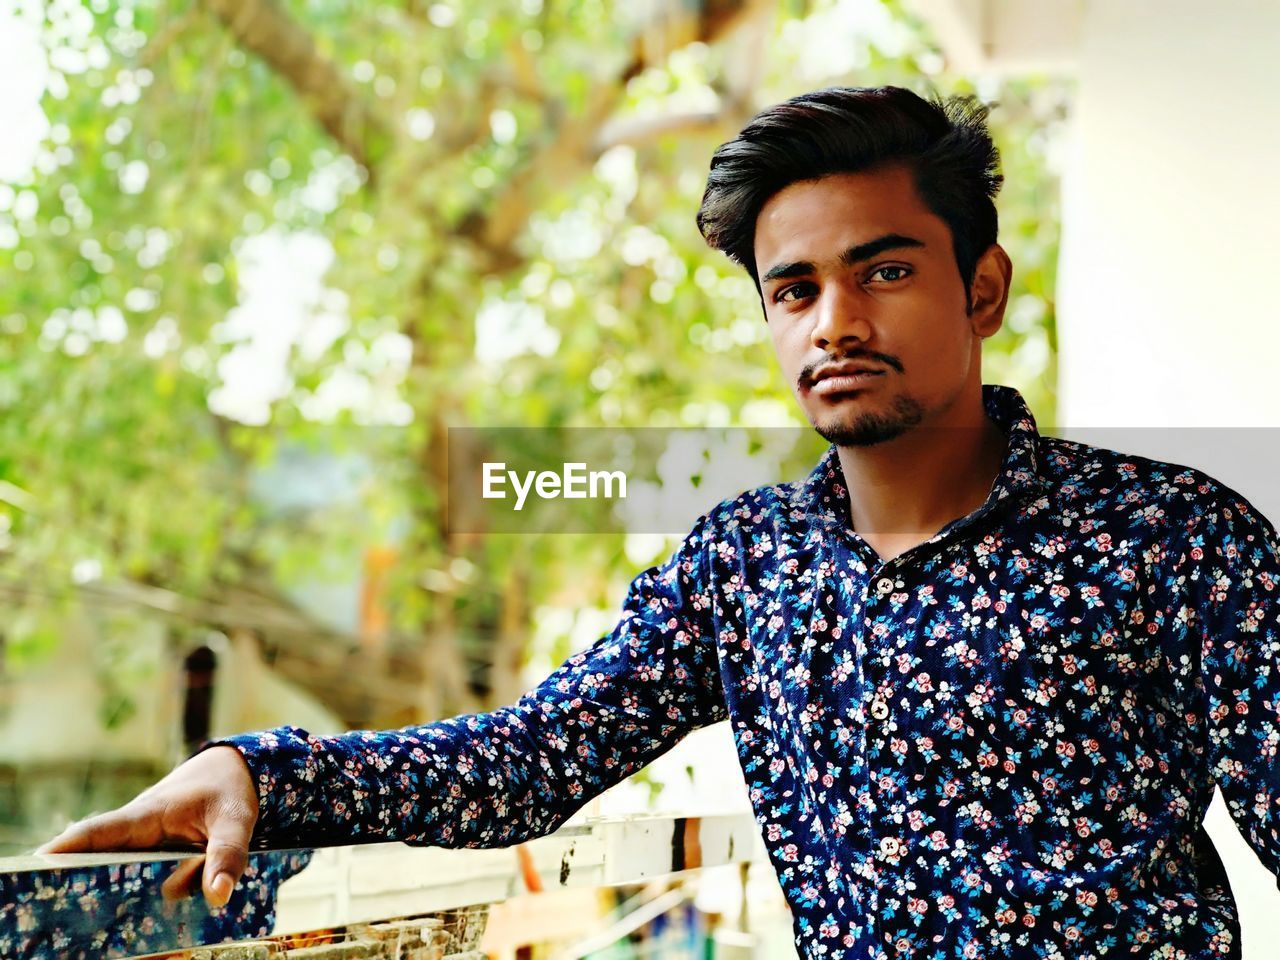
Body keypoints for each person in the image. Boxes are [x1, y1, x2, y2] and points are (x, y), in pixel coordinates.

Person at [40, 85, 1280, 959]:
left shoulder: (1173, 539)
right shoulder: (743, 568)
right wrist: (257, 769)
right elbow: (521, 766)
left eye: (884, 269)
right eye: (792, 289)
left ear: (983, 287)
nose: (833, 321)